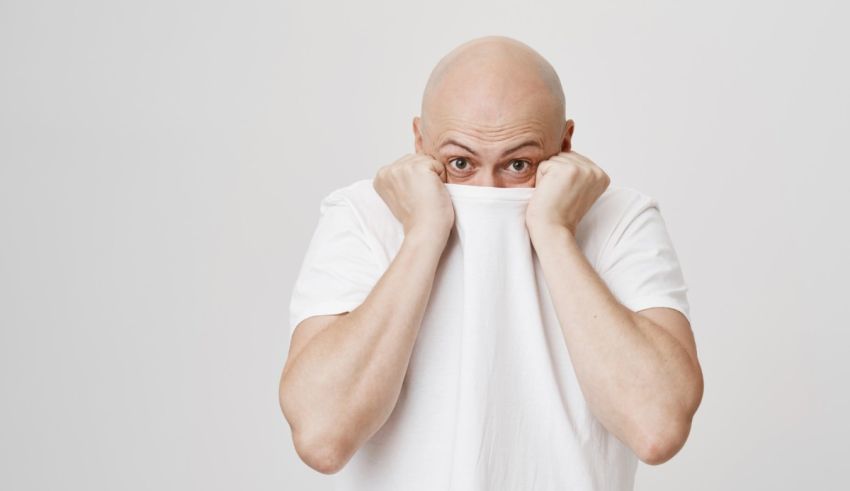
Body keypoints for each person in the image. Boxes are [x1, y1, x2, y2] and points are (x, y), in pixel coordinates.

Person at [279, 35, 704, 488]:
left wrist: (555, 233)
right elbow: (322, 438)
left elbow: (657, 429)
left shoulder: (620, 217)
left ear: (565, 144)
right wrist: (423, 235)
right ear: (419, 141)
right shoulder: (363, 214)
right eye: (460, 163)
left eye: (518, 165)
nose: (487, 190)